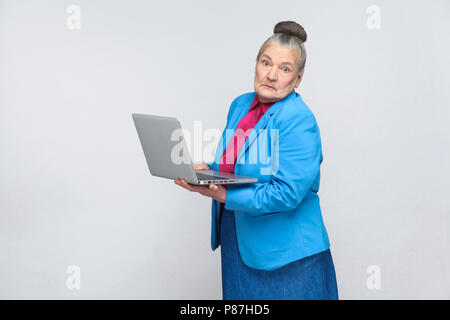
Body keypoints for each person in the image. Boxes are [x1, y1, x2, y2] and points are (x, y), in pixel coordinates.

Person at [174, 21, 338, 300]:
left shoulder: (298, 120)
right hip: (238, 242)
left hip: (286, 258)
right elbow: (238, 165)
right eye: (266, 62)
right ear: (256, 65)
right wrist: (207, 172)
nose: (272, 75)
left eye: (285, 69)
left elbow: (286, 194)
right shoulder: (240, 105)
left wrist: (225, 194)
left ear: (297, 80)